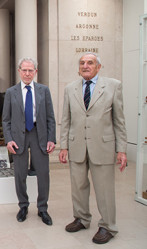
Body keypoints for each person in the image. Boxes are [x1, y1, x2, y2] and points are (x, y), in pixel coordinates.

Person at [59, 52, 127, 244]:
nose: (85, 66)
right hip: (77, 145)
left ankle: (108, 226)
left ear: (98, 67)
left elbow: (119, 121)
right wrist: (63, 146)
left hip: (103, 146)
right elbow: (66, 119)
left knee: (104, 189)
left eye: (90, 63)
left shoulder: (113, 86)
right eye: (82, 63)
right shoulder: (70, 88)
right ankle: (81, 218)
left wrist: (121, 149)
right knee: (78, 186)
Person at [2, 57, 56, 226]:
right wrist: (9, 139)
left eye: (30, 70)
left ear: (35, 72)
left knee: (43, 174)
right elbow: (6, 120)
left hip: (39, 135)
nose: (27, 73)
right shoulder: (11, 92)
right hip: (19, 137)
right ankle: (23, 206)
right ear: (19, 71)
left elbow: (50, 118)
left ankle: (42, 209)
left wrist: (51, 139)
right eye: (24, 70)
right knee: (20, 174)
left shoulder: (44, 90)